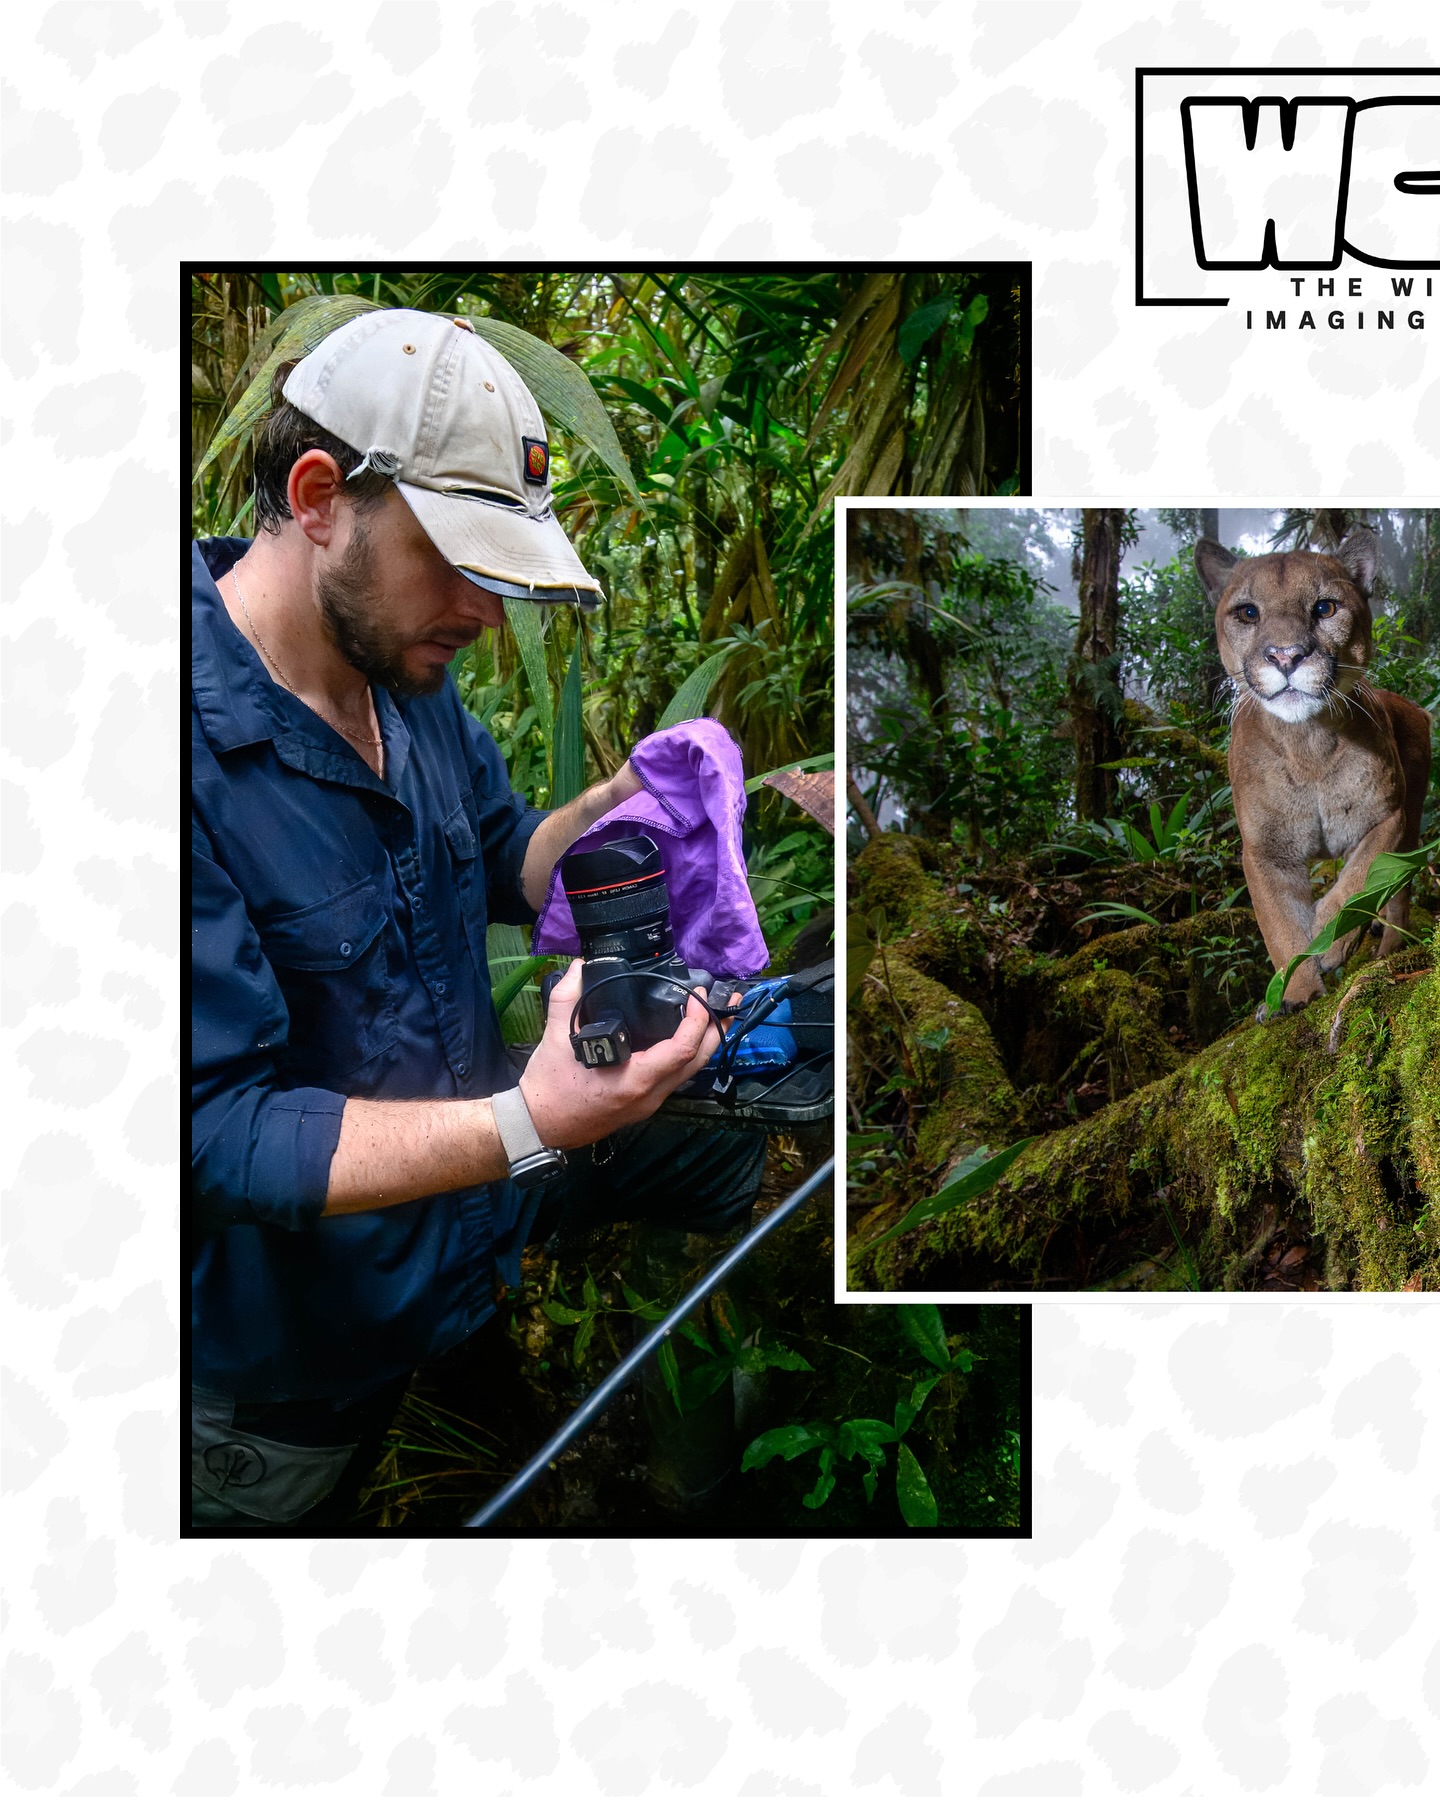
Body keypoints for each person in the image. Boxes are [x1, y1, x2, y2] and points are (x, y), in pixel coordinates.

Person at [190, 308, 763, 1528]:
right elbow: (214, 1134)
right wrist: (530, 1120)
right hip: (297, 1354)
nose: (485, 613)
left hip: (467, 1230)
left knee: (726, 1145)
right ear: (316, 496)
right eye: (452, 558)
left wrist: (624, 798)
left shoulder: (404, 676)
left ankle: (683, 1466)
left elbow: (514, 865)